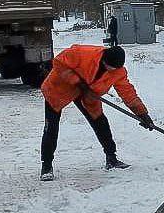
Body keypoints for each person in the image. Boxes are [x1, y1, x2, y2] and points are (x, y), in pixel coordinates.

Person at [39, 44, 154, 180]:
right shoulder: (82, 53)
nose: (111, 70)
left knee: (100, 122)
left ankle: (111, 158)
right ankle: (46, 165)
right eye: (109, 66)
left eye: (114, 68)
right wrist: (77, 81)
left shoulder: (118, 71)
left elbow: (128, 93)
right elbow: (58, 63)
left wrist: (142, 114)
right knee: (51, 126)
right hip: (59, 88)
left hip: (88, 95)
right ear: (103, 58)